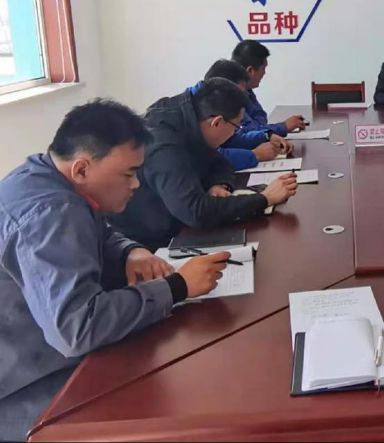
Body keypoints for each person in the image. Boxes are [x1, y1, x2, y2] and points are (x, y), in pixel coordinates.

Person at [0, 100, 229, 441]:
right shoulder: (50, 214)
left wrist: (130, 252)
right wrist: (178, 287)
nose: (136, 184)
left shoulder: (45, 174)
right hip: (27, 388)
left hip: (43, 352)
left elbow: (98, 231)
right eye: (128, 174)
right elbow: (77, 329)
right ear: (82, 169)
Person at [108, 78, 298, 249]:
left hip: (178, 224)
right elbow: (195, 211)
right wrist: (264, 199)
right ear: (216, 122)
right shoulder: (163, 143)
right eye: (236, 126)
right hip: (149, 244)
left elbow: (221, 163)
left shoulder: (191, 119)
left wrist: (219, 184)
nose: (235, 133)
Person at [190, 59, 292, 171]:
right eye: (237, 94)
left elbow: (232, 138)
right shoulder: (188, 116)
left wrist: (266, 135)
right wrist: (255, 155)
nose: (240, 99)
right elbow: (209, 158)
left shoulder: (215, 103)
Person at [231, 40, 306, 138]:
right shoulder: (228, 94)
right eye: (263, 68)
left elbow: (260, 120)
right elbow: (249, 133)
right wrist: (283, 127)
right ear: (250, 71)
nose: (264, 73)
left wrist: (272, 129)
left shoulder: (247, 90)